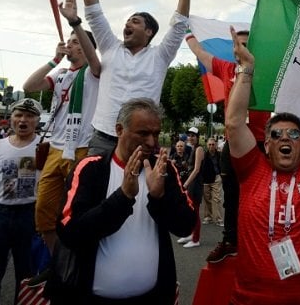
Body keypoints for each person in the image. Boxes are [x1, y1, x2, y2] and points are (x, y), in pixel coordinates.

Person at [225, 26, 300, 305]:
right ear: (266, 145)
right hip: (248, 299)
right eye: (276, 135)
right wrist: (246, 69)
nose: (284, 139)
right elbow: (233, 123)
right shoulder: (251, 169)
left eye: (293, 134)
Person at [45, 98, 197, 304]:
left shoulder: (164, 169)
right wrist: (123, 197)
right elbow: (70, 232)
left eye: (156, 134)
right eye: (143, 133)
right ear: (119, 130)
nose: (152, 142)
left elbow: (186, 226)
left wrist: (158, 197)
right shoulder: (91, 168)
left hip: (152, 297)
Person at [64, 0, 199, 155]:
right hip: (103, 138)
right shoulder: (110, 47)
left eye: (135, 21)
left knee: (137, 188)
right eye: (127, 21)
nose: (127, 24)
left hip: (141, 142)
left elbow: (179, 24)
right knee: (94, 187)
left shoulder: (160, 56)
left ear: (149, 33)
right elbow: (93, 13)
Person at [23, 0, 101, 262]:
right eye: (67, 42)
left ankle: (78, 262)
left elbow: (94, 60)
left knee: (77, 212)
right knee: (44, 211)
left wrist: (75, 22)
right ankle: (57, 264)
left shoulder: (93, 72)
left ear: (85, 46)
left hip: (81, 148)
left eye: (75, 42)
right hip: (56, 149)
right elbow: (28, 86)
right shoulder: (60, 73)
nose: (70, 45)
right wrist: (54, 59)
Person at [185, 24, 270, 263]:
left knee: (259, 198)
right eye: (237, 44)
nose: (240, 48)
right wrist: (186, 30)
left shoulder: (266, 71)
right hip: (231, 145)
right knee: (230, 196)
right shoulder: (226, 68)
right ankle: (230, 241)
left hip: (259, 145)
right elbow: (200, 53)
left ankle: (260, 242)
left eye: (246, 44)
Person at [0, 98, 42, 303]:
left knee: (26, 275)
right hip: (0, 215)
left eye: (29, 116)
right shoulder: (0, 146)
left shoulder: (45, 147)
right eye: (18, 115)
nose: (23, 120)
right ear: (12, 119)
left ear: (37, 120)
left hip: (30, 216)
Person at [177, 127, 204, 248]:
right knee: (190, 211)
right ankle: (191, 234)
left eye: (193, 135)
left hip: (195, 184)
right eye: (189, 135)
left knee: (195, 212)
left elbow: (197, 169)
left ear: (198, 137)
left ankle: (196, 239)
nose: (191, 138)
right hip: (192, 183)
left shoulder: (199, 149)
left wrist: (186, 183)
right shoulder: (193, 149)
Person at [201, 136, 224, 226]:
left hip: (216, 177)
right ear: (207, 145)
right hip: (206, 179)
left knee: (217, 198)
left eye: (213, 144)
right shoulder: (204, 155)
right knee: (207, 199)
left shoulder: (219, 154)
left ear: (216, 145)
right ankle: (208, 217)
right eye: (209, 144)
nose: (211, 146)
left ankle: (218, 219)